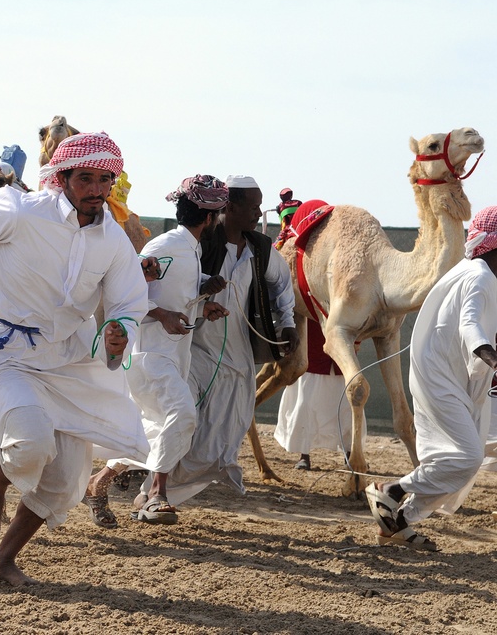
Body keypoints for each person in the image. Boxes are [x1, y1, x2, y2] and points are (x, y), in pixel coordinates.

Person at [0, 132, 149, 586]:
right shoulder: (18, 209)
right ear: (61, 179)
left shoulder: (114, 240)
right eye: (87, 179)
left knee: (63, 479)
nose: (97, 190)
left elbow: (127, 303)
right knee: (31, 441)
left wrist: (119, 329)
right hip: (4, 351)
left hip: (68, 362)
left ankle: (3, 560)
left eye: (105, 180)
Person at [83, 175, 230, 527]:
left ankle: (97, 483)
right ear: (210, 218)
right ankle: (155, 495)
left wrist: (202, 300)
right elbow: (122, 291)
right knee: (182, 416)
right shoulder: (167, 246)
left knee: (153, 428)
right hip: (149, 355)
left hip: (172, 356)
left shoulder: (189, 249)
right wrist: (162, 314)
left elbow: (168, 289)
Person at [161, 175, 299, 507]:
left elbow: (281, 285)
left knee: (224, 434)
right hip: (191, 352)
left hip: (237, 356)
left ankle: (163, 487)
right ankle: (152, 486)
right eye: (252, 207)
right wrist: (202, 290)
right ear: (230, 207)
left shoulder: (261, 249)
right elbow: (169, 282)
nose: (257, 213)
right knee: (180, 420)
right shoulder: (198, 243)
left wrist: (288, 323)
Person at [365, 206, 497, 551]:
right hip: (440, 378)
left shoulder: (476, 272)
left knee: (460, 457)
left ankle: (399, 523)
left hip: (448, 376)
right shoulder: (480, 276)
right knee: (467, 458)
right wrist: (490, 355)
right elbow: (470, 325)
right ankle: (391, 491)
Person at [274, 319, 362, 470]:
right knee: (305, 404)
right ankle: (304, 454)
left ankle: (350, 453)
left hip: (343, 342)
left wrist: (358, 339)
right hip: (312, 345)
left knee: (347, 407)